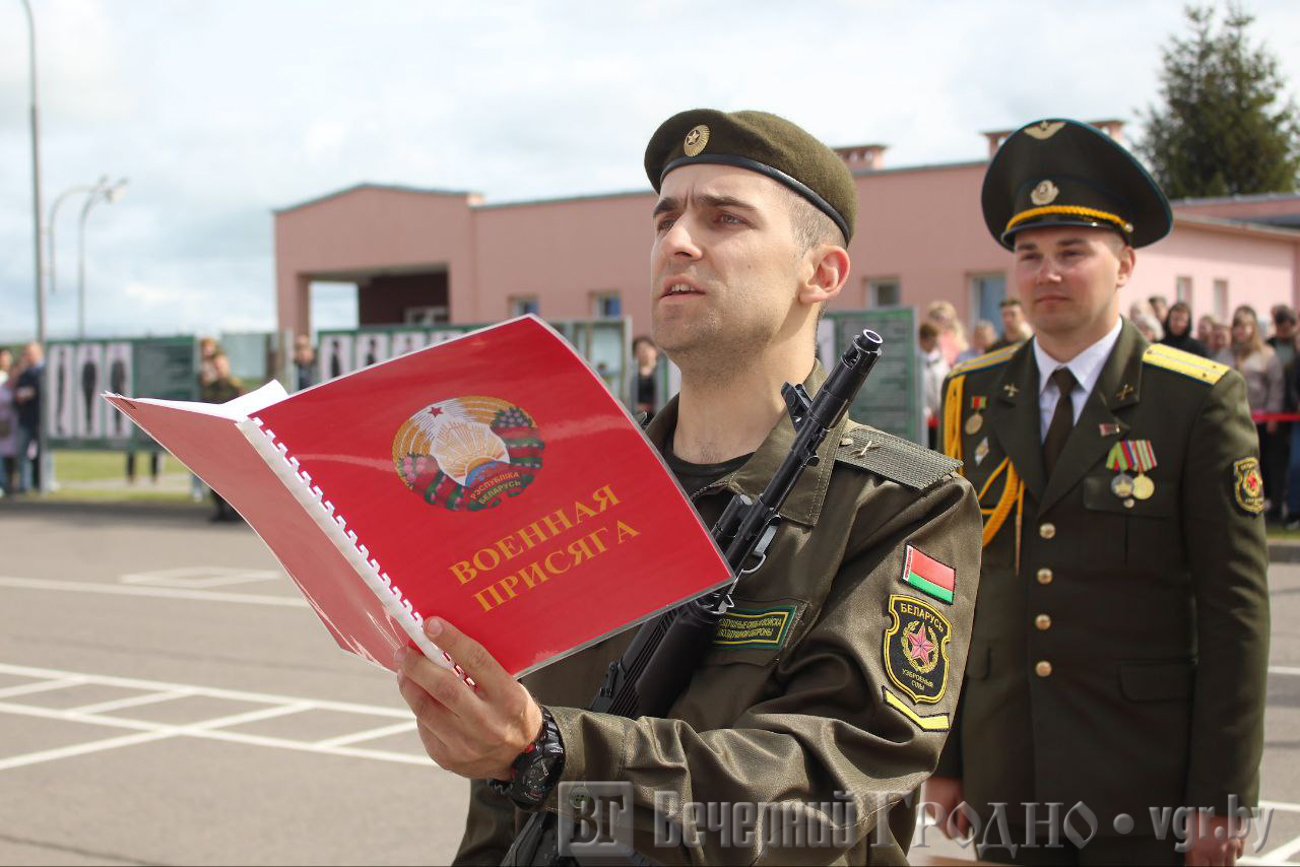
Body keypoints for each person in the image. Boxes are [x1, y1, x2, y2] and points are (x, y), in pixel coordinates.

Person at [394, 109, 983, 864]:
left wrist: (553, 750)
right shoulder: (579, 491)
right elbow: (500, 797)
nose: (678, 240)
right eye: (665, 217)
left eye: (725, 218)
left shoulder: (899, 506)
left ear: (822, 273)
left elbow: (826, 785)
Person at [930, 118, 1268, 865]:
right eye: (1029, 255)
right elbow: (954, 588)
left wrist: (1221, 797)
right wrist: (948, 754)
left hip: (1141, 772)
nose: (1047, 273)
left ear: (1125, 264)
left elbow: (1235, 613)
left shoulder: (1194, 400)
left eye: (1072, 251)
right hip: (1007, 764)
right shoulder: (973, 394)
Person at [1219, 305, 1285, 520]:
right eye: (1237, 326)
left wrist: (1273, 414)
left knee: (1260, 462)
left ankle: (1265, 503)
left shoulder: (1266, 354)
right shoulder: (1224, 354)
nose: (1241, 331)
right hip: (1230, 418)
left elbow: (1276, 386)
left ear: (1253, 328)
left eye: (1245, 326)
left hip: (1260, 418)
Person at [201, 353, 243, 521]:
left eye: (221, 365)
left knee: (233, 478)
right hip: (214, 438)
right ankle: (220, 509)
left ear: (227, 366)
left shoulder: (235, 387)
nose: (219, 369)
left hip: (231, 438)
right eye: (216, 366)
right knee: (214, 476)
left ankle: (235, 511)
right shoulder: (209, 388)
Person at [12, 342, 43, 494]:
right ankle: (25, 485)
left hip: (41, 419)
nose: (27, 356)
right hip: (25, 418)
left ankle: (43, 483)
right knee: (23, 453)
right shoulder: (24, 374)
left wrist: (32, 392)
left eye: (29, 353)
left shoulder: (44, 371)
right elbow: (17, 392)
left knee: (43, 454)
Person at [920, 321, 950, 448]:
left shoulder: (941, 360)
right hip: (922, 417)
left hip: (939, 416)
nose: (934, 344)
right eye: (932, 341)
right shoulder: (916, 359)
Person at [926, 299, 969, 365]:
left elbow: (964, 354)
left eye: (944, 318)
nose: (941, 321)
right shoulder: (928, 337)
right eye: (938, 318)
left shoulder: (956, 336)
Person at [630, 334, 660, 420]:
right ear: (635, 354)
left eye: (647, 348)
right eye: (640, 349)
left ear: (654, 350)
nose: (644, 352)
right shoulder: (632, 377)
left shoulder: (663, 373)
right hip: (640, 419)